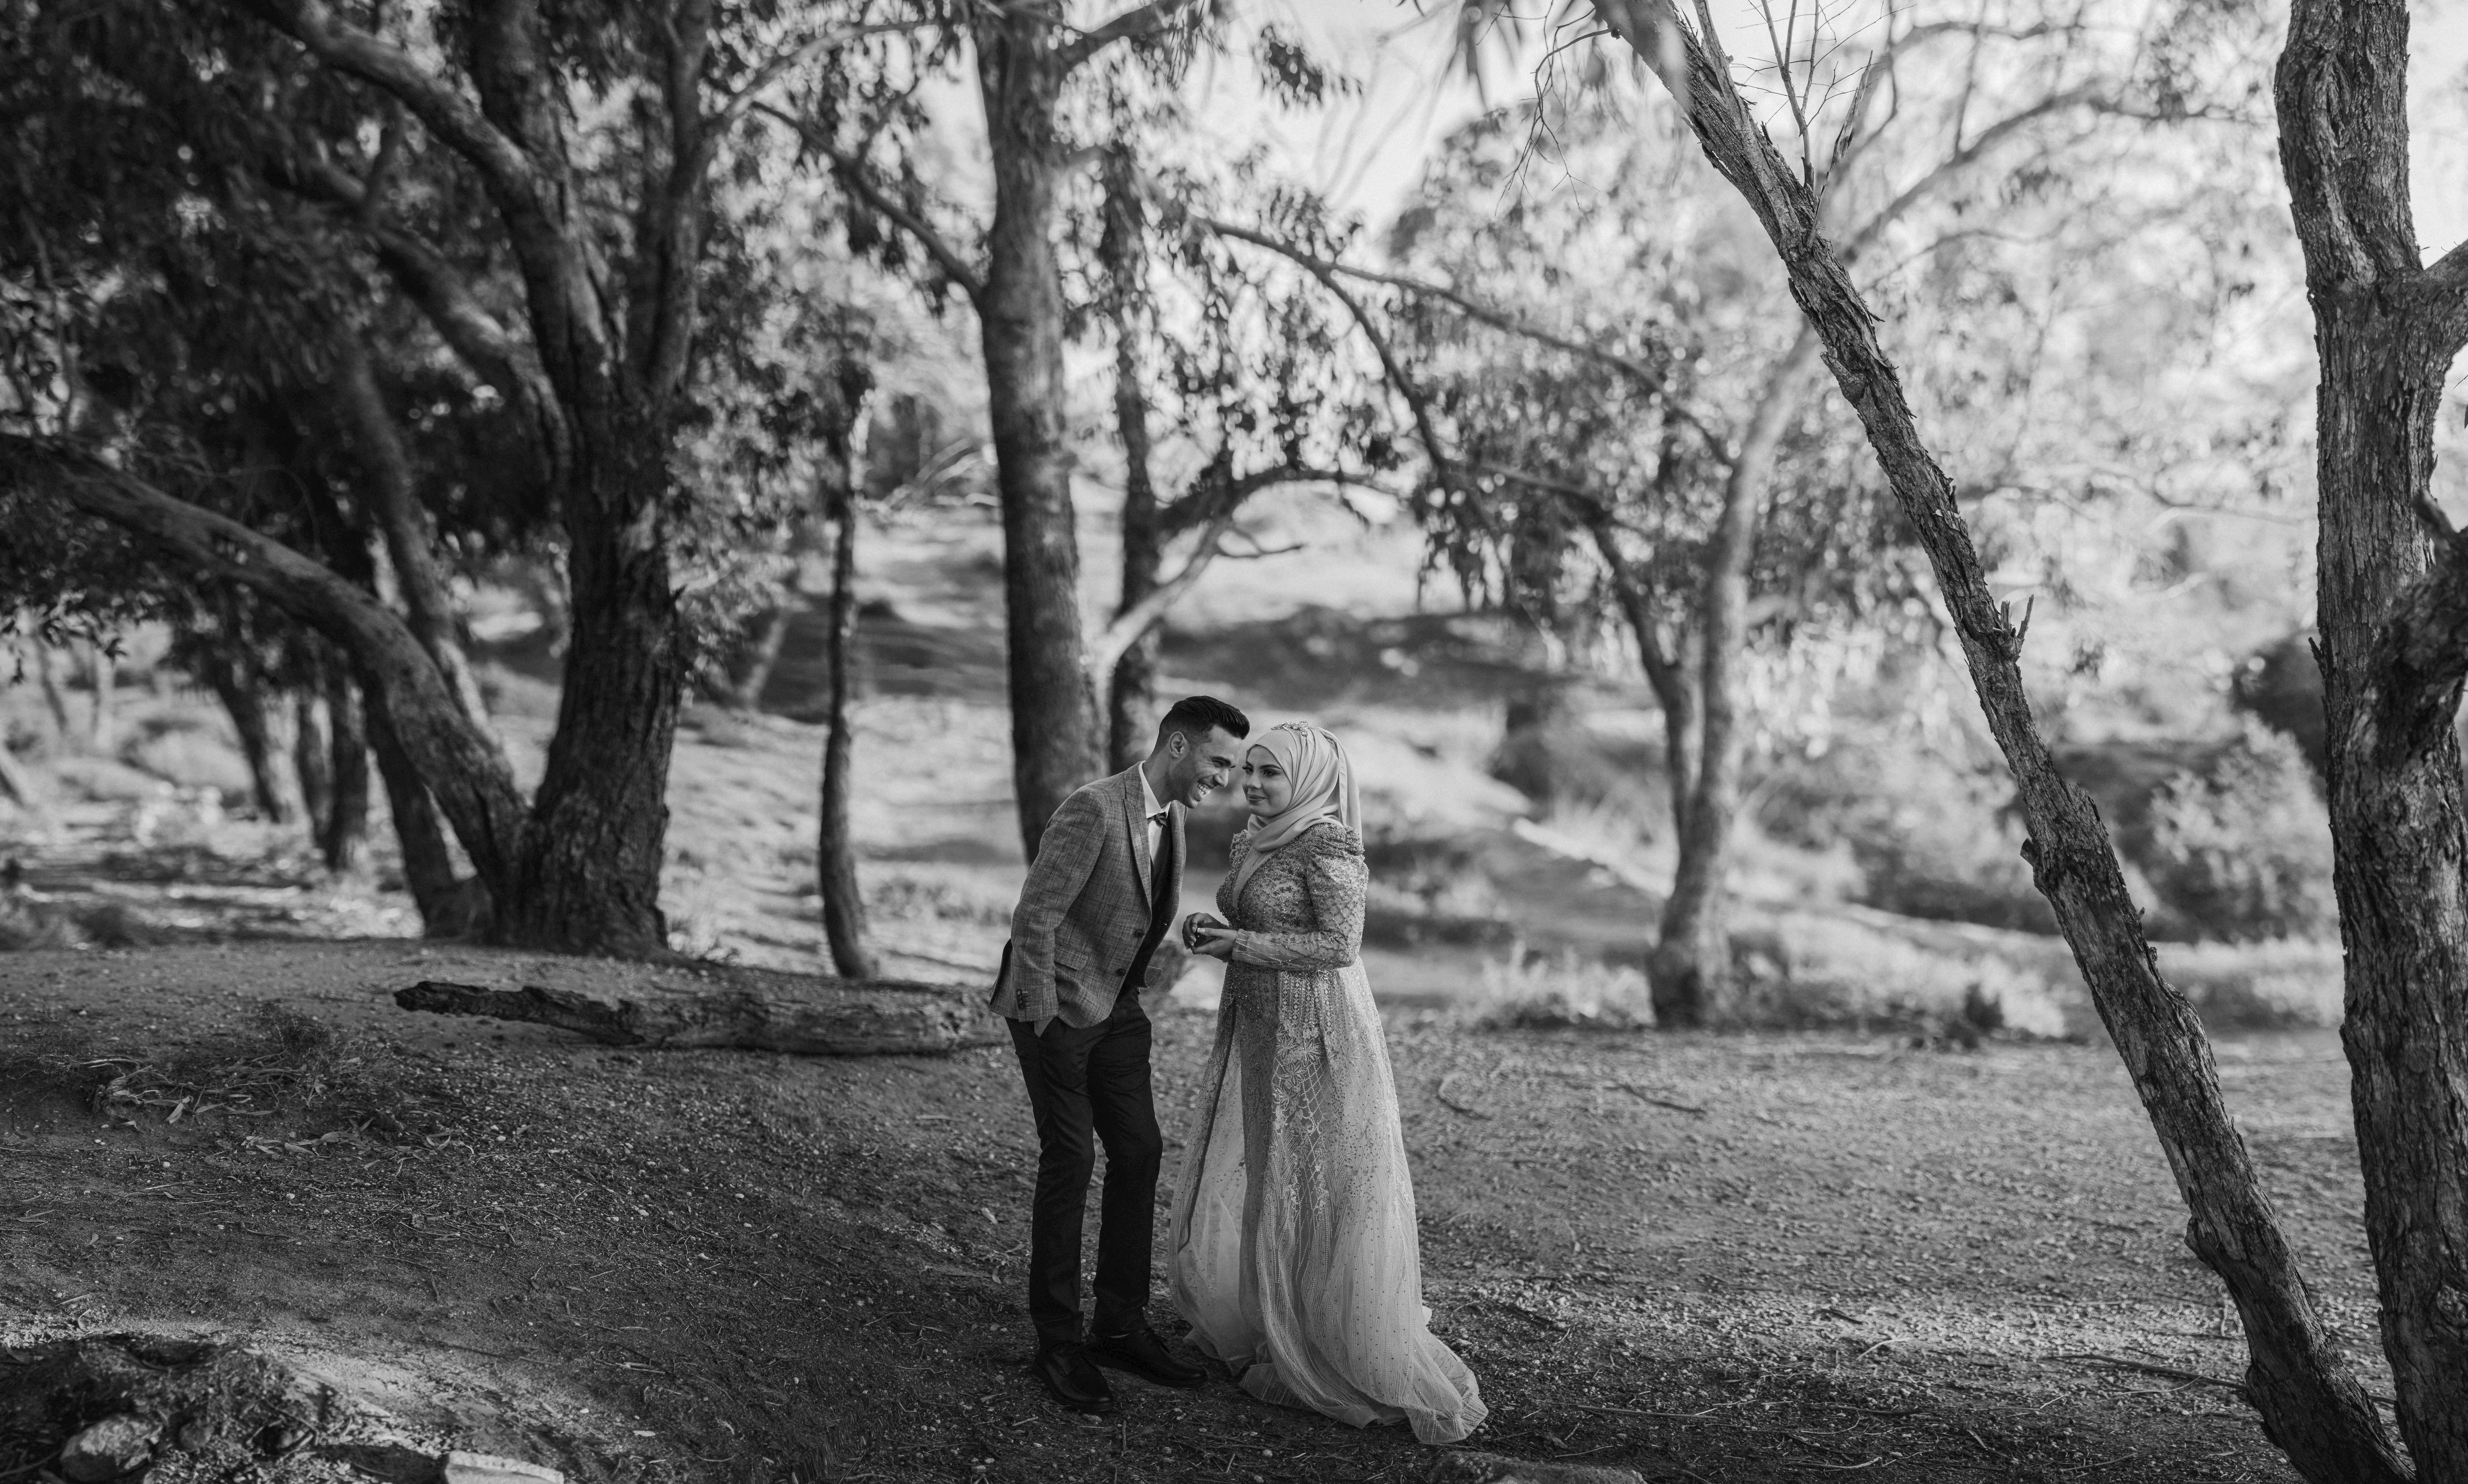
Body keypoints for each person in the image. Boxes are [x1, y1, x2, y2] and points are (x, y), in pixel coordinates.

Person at [1170, 721, 1488, 1444]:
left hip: (1317, 1031)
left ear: (1310, 779)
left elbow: (1338, 947)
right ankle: (1272, 1315)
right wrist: (1213, 930)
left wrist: (1242, 943)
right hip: (1257, 1020)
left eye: (1270, 774)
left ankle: (1328, 1335)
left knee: (1319, 1178)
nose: (1253, 784)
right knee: (1268, 1173)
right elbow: (1259, 920)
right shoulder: (1255, 837)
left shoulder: (1329, 844)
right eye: (1250, 770)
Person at [990, 694, 1250, 1414]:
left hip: (1119, 1011)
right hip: (1057, 1012)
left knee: (1138, 1150)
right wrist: (1045, 1019)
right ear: (1176, 747)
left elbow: (1130, 911)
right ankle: (1058, 1339)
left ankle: (1119, 1321)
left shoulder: (1175, 817)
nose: (1223, 778)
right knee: (1070, 1158)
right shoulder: (1093, 808)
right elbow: (1034, 917)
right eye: (1217, 761)